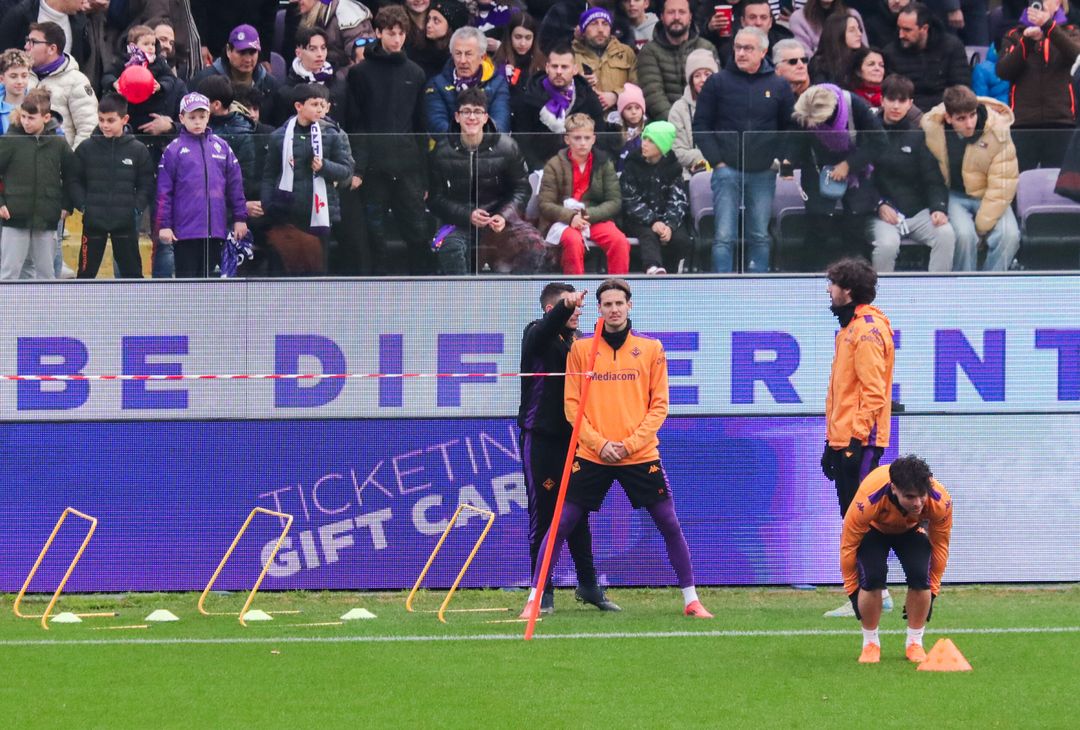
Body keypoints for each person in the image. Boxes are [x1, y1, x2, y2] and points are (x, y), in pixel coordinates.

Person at [519, 278, 713, 620]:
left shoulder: (651, 348)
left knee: (669, 523)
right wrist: (600, 444)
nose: (613, 309)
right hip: (593, 453)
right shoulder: (579, 349)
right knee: (559, 524)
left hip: (638, 454)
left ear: (629, 306)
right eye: (606, 304)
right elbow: (572, 406)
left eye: (618, 303)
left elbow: (660, 406)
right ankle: (536, 598)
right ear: (599, 309)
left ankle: (692, 600)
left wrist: (629, 445)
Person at [517, 282, 616, 614]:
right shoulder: (537, 334)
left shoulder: (576, 344)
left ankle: (588, 585)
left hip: (576, 440)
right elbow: (547, 325)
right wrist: (566, 305)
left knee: (577, 514)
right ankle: (541, 591)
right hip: (541, 441)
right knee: (544, 515)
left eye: (578, 307)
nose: (578, 311)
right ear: (551, 309)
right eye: (570, 307)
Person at [821, 256, 895, 617]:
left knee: (861, 518)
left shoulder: (866, 329)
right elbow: (841, 393)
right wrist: (830, 441)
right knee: (853, 518)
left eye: (832, 284)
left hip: (861, 442)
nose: (828, 290)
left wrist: (854, 440)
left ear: (847, 290)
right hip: (846, 438)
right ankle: (871, 589)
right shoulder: (848, 329)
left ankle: (874, 592)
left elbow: (874, 392)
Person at [693, 26, 794, 273]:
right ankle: (722, 286)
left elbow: (790, 128)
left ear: (763, 51)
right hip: (726, 170)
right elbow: (701, 125)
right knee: (723, 236)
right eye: (737, 47)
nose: (740, 53)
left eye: (748, 48)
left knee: (759, 233)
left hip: (763, 172)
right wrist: (717, 161)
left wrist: (778, 160)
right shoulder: (717, 82)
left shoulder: (779, 86)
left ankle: (757, 285)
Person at [345, 3, 431, 275]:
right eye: (391, 32)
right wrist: (359, 167)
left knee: (417, 231)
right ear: (378, 33)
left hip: (408, 168)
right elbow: (355, 124)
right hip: (372, 169)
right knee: (375, 234)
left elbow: (420, 126)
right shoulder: (359, 73)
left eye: (401, 33)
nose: (397, 38)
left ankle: (420, 287)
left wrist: (425, 175)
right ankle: (375, 295)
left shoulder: (415, 73)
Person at [841, 455, 953, 664]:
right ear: (894, 488)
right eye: (910, 497)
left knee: (921, 577)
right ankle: (870, 644)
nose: (918, 503)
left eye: (922, 496)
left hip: (911, 530)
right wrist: (852, 592)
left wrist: (934, 590)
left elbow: (940, 546)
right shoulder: (869, 496)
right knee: (873, 578)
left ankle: (915, 643)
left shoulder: (940, 500)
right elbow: (848, 547)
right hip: (873, 529)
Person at [427, 86, 546, 274]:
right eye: (466, 111)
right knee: (451, 247)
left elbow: (521, 189)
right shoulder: (441, 151)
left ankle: (515, 295)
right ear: (457, 117)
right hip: (459, 223)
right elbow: (435, 198)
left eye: (477, 112)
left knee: (534, 243)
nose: (471, 117)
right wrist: (468, 215)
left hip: (499, 220)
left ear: (486, 117)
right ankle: (461, 298)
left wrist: (504, 215)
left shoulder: (507, 147)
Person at [921, 84, 1020, 271]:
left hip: (989, 195)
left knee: (1009, 235)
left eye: (972, 115)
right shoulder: (933, 128)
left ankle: (991, 286)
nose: (969, 123)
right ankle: (964, 286)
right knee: (964, 236)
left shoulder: (998, 131)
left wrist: (982, 224)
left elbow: (1003, 184)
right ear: (948, 118)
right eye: (961, 118)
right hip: (955, 195)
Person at [786, 83, 885, 268]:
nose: (813, 125)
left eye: (816, 121)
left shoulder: (853, 104)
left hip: (857, 169)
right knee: (818, 224)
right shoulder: (805, 107)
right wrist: (789, 161)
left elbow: (880, 141)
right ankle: (811, 275)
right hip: (818, 169)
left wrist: (849, 165)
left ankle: (853, 275)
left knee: (854, 226)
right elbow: (797, 139)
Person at [262, 83, 354, 274]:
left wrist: (324, 167)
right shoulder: (279, 136)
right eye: (314, 104)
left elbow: (346, 171)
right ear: (298, 106)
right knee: (287, 269)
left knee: (317, 269)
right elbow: (269, 174)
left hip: (321, 215)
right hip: (287, 212)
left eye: (322, 104)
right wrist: (267, 203)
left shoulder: (332, 134)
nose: (319, 109)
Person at [157, 92, 248, 278]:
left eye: (202, 116)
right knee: (187, 284)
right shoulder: (173, 150)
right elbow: (163, 192)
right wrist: (164, 225)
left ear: (209, 117)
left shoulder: (222, 147)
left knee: (211, 286)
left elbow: (235, 186)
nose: (197, 122)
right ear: (182, 118)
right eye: (192, 117)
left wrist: (240, 218)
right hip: (185, 232)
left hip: (216, 230)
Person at [870, 73, 954, 272]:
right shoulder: (868, 133)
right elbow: (860, 180)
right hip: (879, 214)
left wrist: (938, 208)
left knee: (946, 234)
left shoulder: (917, 136)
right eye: (891, 99)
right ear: (882, 100)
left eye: (902, 100)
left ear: (910, 104)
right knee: (888, 245)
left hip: (915, 212)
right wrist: (879, 204)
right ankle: (879, 299)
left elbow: (933, 179)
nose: (896, 106)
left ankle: (936, 295)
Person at [71, 93, 155, 279]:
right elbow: (74, 180)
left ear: (125, 119)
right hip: (93, 222)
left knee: (132, 275)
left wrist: (135, 208)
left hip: (125, 222)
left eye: (111, 120)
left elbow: (146, 183)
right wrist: (84, 206)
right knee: (85, 275)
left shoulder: (137, 150)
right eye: (101, 120)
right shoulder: (86, 148)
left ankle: (132, 308)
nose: (105, 125)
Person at [538, 113, 630, 275]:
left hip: (593, 218)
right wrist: (571, 217)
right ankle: (575, 292)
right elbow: (545, 204)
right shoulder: (554, 165)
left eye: (587, 138)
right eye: (577, 138)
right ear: (567, 139)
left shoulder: (604, 163)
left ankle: (619, 289)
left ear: (594, 139)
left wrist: (588, 215)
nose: (583, 143)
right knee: (573, 241)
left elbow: (614, 201)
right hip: (563, 220)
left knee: (619, 241)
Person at [0, 88, 77, 280]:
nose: (26, 122)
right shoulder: (9, 140)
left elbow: (72, 174)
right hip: (14, 216)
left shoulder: (58, 143)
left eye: (31, 118)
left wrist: (67, 205)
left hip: (47, 218)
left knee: (46, 275)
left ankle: (46, 311)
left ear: (46, 117)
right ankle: (7, 310)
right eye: (23, 116)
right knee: (9, 274)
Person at [995, 0, 1080, 171]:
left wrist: (1048, 27)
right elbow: (1003, 71)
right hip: (1023, 123)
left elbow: (1076, 56)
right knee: (1019, 182)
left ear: (1059, 5)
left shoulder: (1072, 32)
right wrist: (1027, 42)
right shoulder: (1014, 35)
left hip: (1061, 121)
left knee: (1059, 185)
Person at [511, 42, 607, 171]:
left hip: (581, 170)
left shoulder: (588, 97)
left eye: (564, 67)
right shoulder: (529, 97)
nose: (559, 72)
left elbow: (600, 138)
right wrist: (541, 171)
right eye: (555, 66)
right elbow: (523, 143)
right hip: (541, 171)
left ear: (575, 69)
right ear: (547, 67)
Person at [619, 120, 693, 274]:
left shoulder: (674, 167)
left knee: (680, 238)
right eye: (644, 138)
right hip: (639, 220)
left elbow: (678, 200)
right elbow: (630, 200)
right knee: (648, 235)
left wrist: (669, 225)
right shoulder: (632, 164)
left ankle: (673, 271)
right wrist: (653, 221)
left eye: (651, 140)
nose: (644, 144)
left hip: (666, 219)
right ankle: (652, 268)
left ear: (662, 145)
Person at [101, 25, 187, 146]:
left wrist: (161, 86)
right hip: (128, 121)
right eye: (146, 44)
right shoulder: (122, 62)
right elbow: (107, 76)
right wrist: (113, 84)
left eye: (153, 44)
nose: (151, 48)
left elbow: (190, 124)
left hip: (155, 129)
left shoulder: (159, 64)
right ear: (133, 45)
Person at [637, 0, 718, 121]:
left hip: (703, 124)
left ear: (690, 16)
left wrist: (700, 124)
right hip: (666, 128)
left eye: (682, 12)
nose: (676, 17)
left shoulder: (706, 48)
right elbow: (653, 96)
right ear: (662, 17)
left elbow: (716, 91)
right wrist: (678, 125)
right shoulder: (649, 51)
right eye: (671, 12)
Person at [884, 2, 971, 113]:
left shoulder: (952, 47)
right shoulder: (890, 53)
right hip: (907, 114)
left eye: (907, 30)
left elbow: (960, 89)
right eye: (899, 28)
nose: (901, 35)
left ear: (924, 29)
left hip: (945, 112)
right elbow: (892, 94)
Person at [425, 25, 512, 134]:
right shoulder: (437, 84)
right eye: (458, 54)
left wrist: (479, 142)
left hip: (488, 148)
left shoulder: (498, 83)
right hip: (450, 148)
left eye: (468, 54)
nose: (462, 60)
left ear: (482, 57)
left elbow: (501, 123)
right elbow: (437, 124)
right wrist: (464, 141)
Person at [25, 21, 97, 148]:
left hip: (59, 163)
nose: (26, 46)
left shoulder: (77, 81)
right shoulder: (19, 77)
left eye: (33, 42)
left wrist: (70, 163)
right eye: (27, 40)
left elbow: (88, 129)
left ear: (52, 49)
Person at [192, 24, 281, 127]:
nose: (247, 59)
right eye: (242, 53)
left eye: (252, 52)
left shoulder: (271, 85)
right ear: (228, 51)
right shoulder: (204, 81)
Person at [274, 26, 346, 126]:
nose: (320, 54)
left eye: (323, 48)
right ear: (298, 53)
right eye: (312, 49)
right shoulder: (287, 92)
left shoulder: (339, 84)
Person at [572, 6, 638, 112]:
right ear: (583, 31)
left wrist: (616, 96)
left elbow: (637, 86)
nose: (600, 30)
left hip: (621, 118)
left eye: (605, 24)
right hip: (585, 121)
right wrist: (579, 83)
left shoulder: (626, 53)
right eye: (594, 24)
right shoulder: (571, 55)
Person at [668, 47, 717, 179]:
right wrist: (707, 157)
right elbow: (677, 151)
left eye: (707, 74)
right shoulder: (678, 109)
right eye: (697, 75)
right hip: (690, 177)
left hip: (724, 174)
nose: (703, 79)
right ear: (690, 81)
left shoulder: (728, 104)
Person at [292, 0, 376, 70]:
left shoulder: (346, 12)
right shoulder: (307, 14)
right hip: (317, 75)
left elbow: (362, 56)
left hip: (344, 80)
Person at [492, 11, 545, 95]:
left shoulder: (542, 64)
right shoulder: (498, 62)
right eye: (518, 37)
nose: (523, 43)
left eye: (528, 38)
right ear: (509, 37)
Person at [790, 0, 867, 54]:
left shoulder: (852, 14)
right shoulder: (799, 18)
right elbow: (805, 56)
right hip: (817, 72)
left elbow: (864, 51)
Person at [808, 12, 866, 84]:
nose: (859, 34)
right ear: (837, 34)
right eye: (852, 30)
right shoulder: (819, 64)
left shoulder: (864, 58)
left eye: (859, 29)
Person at [611, 82, 646, 171]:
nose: (634, 112)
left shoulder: (648, 130)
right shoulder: (615, 131)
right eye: (629, 108)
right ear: (622, 112)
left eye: (637, 108)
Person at [0, 49, 35, 134]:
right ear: (2, 79)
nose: (20, 81)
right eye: (13, 76)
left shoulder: (39, 104)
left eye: (24, 76)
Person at [846, 46, 887, 111]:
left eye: (881, 65)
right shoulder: (849, 97)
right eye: (871, 64)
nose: (877, 68)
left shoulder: (889, 95)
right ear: (858, 71)